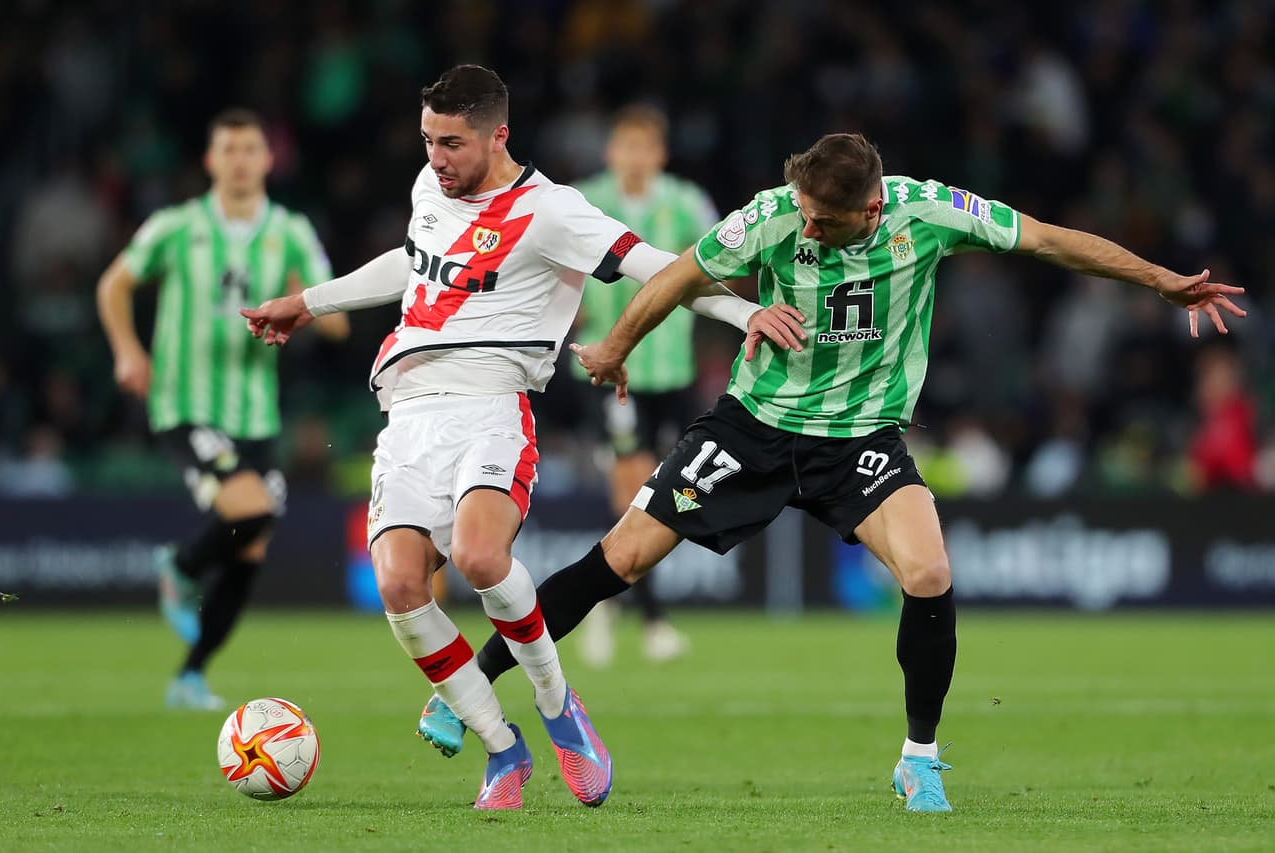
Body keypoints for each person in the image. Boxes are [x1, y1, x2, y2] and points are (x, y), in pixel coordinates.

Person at [419, 132, 1246, 812]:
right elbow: (677, 274)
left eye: (824, 221)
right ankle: (469, 685)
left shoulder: (927, 213)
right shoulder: (774, 216)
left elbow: (1051, 240)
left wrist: (1162, 282)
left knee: (929, 570)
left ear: (872, 208)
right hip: (755, 425)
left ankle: (919, 757)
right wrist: (615, 347)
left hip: (860, 441)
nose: (806, 231)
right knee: (621, 558)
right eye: (805, 213)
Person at [238, 65, 800, 810]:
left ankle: (560, 706)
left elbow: (658, 268)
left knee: (478, 555)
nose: (438, 157)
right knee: (402, 584)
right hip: (407, 413)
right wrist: (309, 302)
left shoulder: (554, 212)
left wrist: (744, 314)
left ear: (499, 135)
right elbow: (413, 263)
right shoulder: (429, 188)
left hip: (493, 407)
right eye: (429, 140)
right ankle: (504, 749)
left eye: (454, 143)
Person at [97, 108, 349, 712]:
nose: (239, 159)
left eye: (250, 149)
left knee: (251, 544)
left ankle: (189, 675)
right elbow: (114, 284)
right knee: (252, 509)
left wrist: (301, 301)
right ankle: (181, 567)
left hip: (255, 414)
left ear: (269, 159)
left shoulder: (290, 231)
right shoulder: (175, 226)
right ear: (210, 161)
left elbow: (336, 320)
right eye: (228, 149)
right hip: (185, 404)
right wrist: (128, 351)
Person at [571, 104, 719, 666]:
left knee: (661, 490)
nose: (634, 157)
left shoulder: (684, 201)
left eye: (645, 147)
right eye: (625, 146)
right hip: (612, 368)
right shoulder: (585, 199)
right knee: (632, 488)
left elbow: (723, 257)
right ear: (611, 152)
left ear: (660, 154)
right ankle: (648, 617)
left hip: (671, 370)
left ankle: (611, 606)